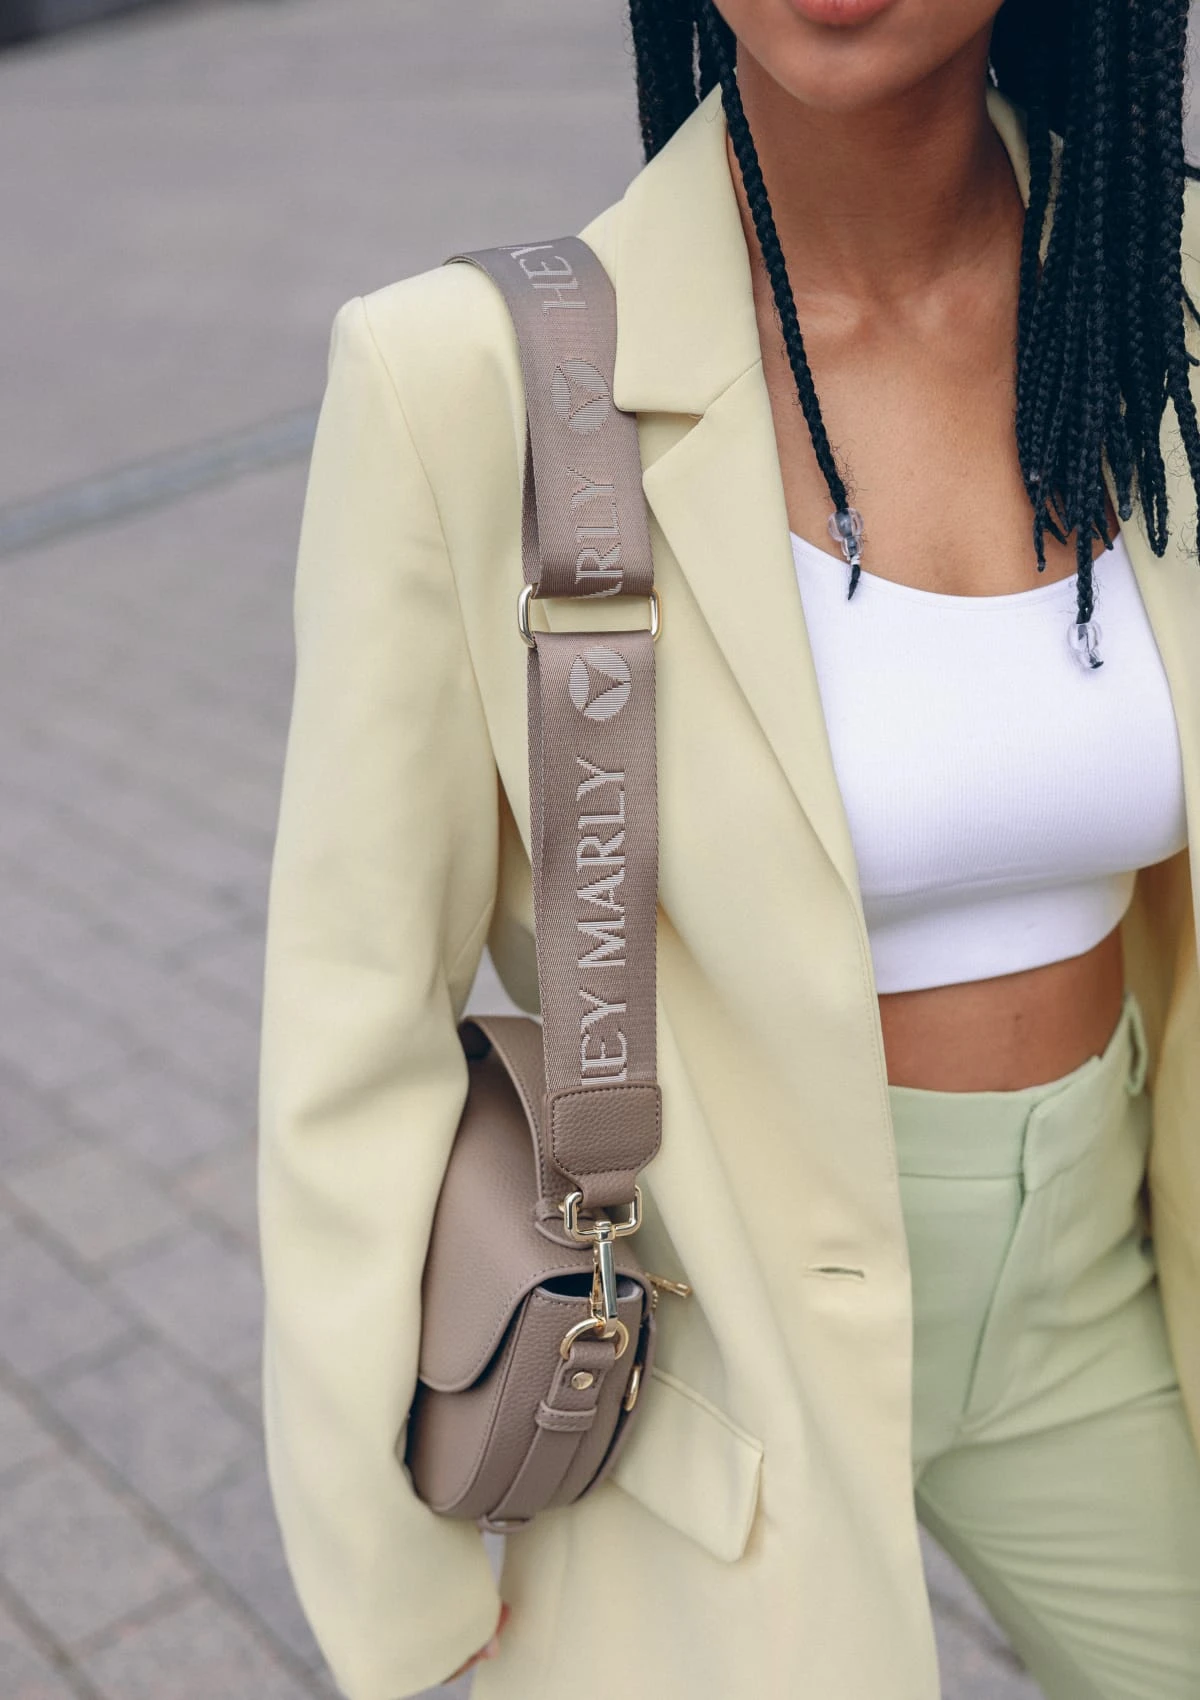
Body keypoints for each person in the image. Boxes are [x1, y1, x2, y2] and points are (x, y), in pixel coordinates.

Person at [257, 2, 1200, 1697]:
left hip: (1105, 1280)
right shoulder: (468, 384)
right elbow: (354, 1027)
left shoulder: (1163, 296)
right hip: (705, 1351)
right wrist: (399, 1598)